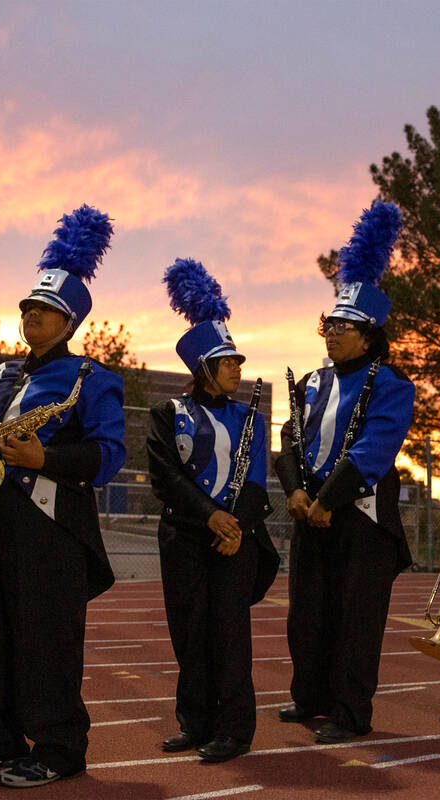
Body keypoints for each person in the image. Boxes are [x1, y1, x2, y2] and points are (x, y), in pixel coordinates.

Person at [0, 206, 125, 789]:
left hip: (50, 526)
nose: (29, 315)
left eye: (42, 309)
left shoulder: (91, 379)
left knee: (46, 638)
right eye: (26, 307)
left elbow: (110, 454)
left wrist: (46, 458)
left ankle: (59, 745)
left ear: (68, 321)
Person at [274, 201, 414, 744]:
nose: (331, 333)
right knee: (306, 616)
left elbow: (372, 454)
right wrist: (295, 494)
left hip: (359, 522)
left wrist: (325, 501)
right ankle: (309, 695)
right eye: (328, 324)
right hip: (311, 512)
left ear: (370, 333)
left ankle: (351, 712)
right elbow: (288, 440)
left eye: (343, 326)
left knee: (355, 624)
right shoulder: (312, 380)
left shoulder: (391, 383)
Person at [146, 259, 280, 763]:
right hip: (186, 536)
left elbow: (255, 482)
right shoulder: (168, 414)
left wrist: (235, 524)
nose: (237, 370)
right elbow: (166, 477)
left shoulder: (252, 418)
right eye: (228, 363)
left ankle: (235, 729)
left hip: (235, 541)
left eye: (238, 363)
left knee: (229, 635)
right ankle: (195, 722)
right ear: (204, 368)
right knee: (189, 632)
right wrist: (210, 516)